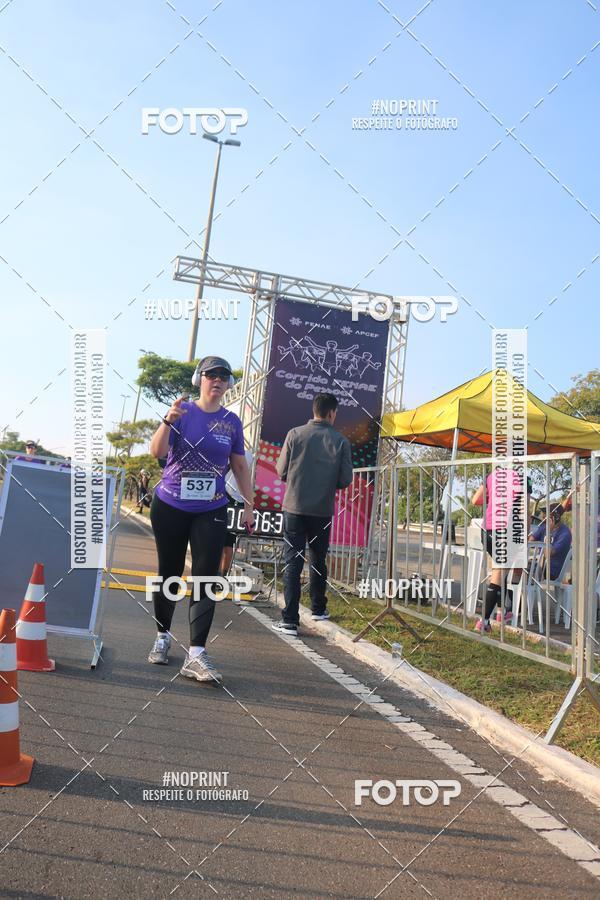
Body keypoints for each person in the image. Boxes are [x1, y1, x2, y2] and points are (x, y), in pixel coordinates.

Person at [147, 356, 254, 682]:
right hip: (170, 505)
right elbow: (156, 452)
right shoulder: (182, 411)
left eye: (224, 376)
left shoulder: (231, 422)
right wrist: (167, 420)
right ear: (200, 379)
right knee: (171, 572)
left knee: (206, 576)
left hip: (211, 507)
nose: (217, 380)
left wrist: (249, 504)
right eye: (211, 375)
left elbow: (239, 465)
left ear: (228, 384)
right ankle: (162, 636)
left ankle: (196, 653)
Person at [273, 393, 353, 636]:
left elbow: (281, 471)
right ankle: (318, 608)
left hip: (294, 509)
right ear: (332, 413)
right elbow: (345, 480)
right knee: (318, 560)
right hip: (321, 512)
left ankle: (289, 619)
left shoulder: (294, 434)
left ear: (314, 410)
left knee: (293, 562)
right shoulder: (340, 441)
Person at [472, 469, 532, 632]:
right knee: (498, 574)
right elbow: (524, 511)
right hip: (506, 532)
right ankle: (483, 623)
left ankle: (501, 612)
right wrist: (524, 538)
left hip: (487, 531)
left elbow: (476, 500)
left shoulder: (492, 475)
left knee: (501, 571)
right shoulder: (523, 479)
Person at [220, 449, 254, 579]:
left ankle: (219, 576)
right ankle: (221, 576)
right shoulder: (248, 454)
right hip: (237, 498)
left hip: (230, 497)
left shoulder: (234, 451)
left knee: (224, 543)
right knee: (227, 543)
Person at [529, 503, 572, 581]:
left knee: (523, 570)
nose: (544, 517)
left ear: (556, 518)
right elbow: (530, 541)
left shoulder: (565, 533)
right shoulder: (543, 527)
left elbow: (547, 553)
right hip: (539, 565)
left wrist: (549, 532)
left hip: (551, 571)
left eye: (547, 515)